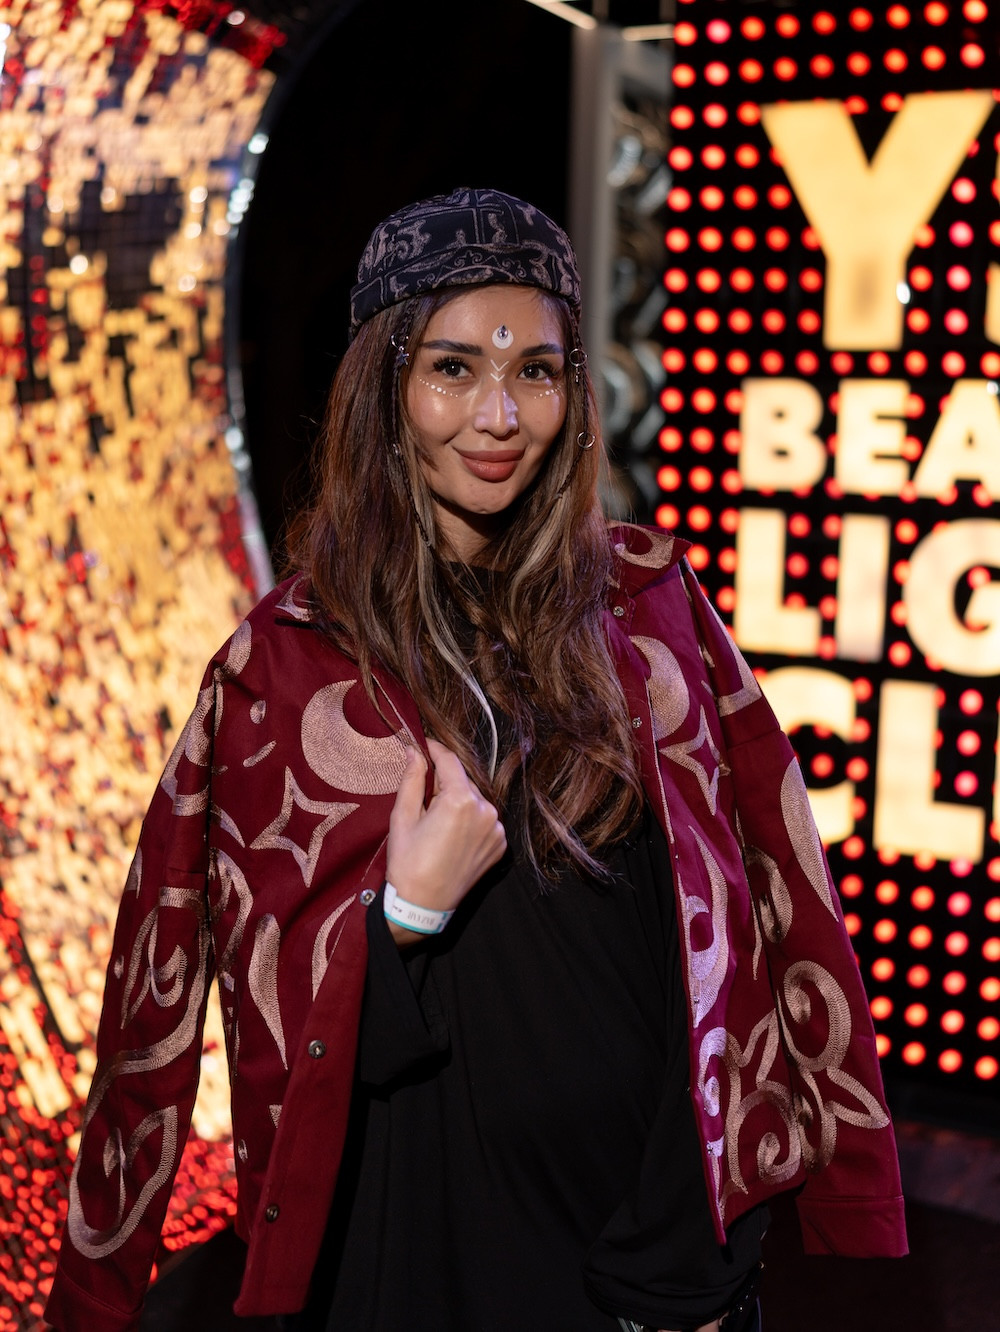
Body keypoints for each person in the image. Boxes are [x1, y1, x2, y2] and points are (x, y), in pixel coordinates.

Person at [45, 188, 907, 1332]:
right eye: (453, 369)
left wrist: (713, 1239)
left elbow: (765, 900)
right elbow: (248, 1045)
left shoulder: (648, 605)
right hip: (423, 1250)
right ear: (384, 392)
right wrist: (406, 912)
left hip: (652, 1260)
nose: (499, 416)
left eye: (535, 372)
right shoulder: (290, 662)